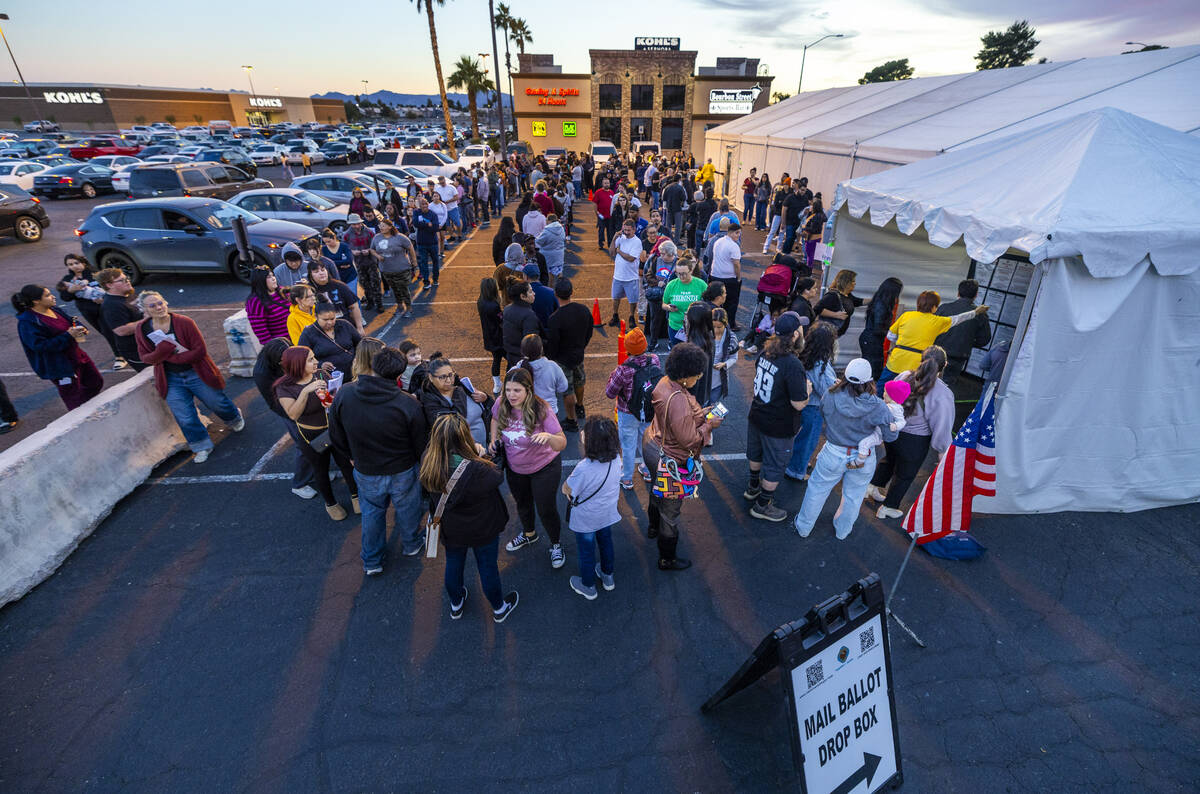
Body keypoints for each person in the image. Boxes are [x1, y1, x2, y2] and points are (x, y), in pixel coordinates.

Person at [330, 346, 428, 570]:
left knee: (372, 513)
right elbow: (420, 444)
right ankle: (412, 545)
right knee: (408, 509)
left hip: (365, 468)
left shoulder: (345, 393)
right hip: (402, 468)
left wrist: (350, 457)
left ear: (372, 366)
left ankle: (372, 560)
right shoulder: (408, 403)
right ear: (398, 375)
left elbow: (335, 433)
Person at [419, 413, 519, 622]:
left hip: (451, 528)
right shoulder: (477, 468)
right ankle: (499, 608)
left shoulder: (429, 461)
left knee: (454, 563)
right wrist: (483, 455)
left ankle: (456, 603)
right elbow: (497, 476)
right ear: (464, 436)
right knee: (487, 567)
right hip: (483, 527)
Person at [792, 358, 898, 540]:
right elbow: (890, 436)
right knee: (853, 496)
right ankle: (842, 531)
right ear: (869, 380)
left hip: (834, 452)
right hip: (863, 457)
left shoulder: (831, 394)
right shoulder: (879, 405)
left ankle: (803, 527)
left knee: (817, 489)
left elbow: (823, 413)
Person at [134, 291, 244, 464]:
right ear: (144, 310)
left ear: (165, 303)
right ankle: (201, 445)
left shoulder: (184, 322)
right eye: (152, 305)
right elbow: (145, 357)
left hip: (195, 372)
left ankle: (233, 417)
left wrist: (168, 355)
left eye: (160, 303)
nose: (159, 307)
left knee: (216, 401)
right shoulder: (142, 329)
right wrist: (161, 352)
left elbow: (199, 351)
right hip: (170, 377)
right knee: (184, 414)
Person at [643, 342, 723, 570]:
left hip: (652, 444)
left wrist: (701, 416)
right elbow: (689, 440)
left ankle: (652, 527)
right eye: (697, 376)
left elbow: (679, 420)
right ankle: (667, 558)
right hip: (670, 459)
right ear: (686, 377)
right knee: (671, 511)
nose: (698, 379)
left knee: (655, 490)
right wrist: (709, 425)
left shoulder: (665, 382)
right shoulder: (678, 399)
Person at [490, 366, 568, 568]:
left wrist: (549, 437)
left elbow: (562, 442)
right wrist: (493, 439)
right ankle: (529, 534)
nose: (511, 395)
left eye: (517, 390)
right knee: (522, 504)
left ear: (528, 390)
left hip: (545, 468)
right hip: (515, 469)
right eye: (508, 390)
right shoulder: (501, 403)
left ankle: (555, 544)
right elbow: (495, 418)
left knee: (545, 509)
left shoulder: (542, 409)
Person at [868, 346, 955, 519]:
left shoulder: (905, 375)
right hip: (915, 441)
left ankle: (871, 487)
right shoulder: (943, 393)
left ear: (921, 359)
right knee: (905, 474)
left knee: (890, 460)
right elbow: (942, 424)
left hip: (893, 432)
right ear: (944, 365)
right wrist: (942, 449)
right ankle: (888, 508)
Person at [273, 346, 359, 519]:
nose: (316, 362)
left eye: (314, 358)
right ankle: (330, 503)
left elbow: (332, 398)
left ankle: (356, 496)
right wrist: (306, 391)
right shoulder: (284, 387)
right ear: (297, 364)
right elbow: (293, 414)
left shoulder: (321, 374)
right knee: (320, 469)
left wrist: (332, 400)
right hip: (311, 435)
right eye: (310, 360)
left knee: (345, 464)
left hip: (333, 429)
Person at [743, 311, 809, 521]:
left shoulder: (765, 351)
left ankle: (753, 487)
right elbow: (798, 404)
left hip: (757, 414)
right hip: (778, 425)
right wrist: (807, 390)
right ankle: (762, 506)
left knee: (755, 453)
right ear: (795, 335)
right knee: (775, 465)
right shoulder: (792, 364)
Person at [12, 284, 104, 411]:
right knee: (74, 397)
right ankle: (83, 416)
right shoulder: (28, 322)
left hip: (77, 356)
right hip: (59, 367)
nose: (53, 297)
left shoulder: (54, 309)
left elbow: (71, 320)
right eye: (48, 295)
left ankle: (91, 407)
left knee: (95, 381)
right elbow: (40, 346)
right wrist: (68, 335)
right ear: (36, 301)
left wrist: (80, 328)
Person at [563, 415, 621, 600]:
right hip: (606, 513)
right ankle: (607, 576)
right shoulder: (617, 459)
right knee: (606, 542)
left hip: (586, 518)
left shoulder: (584, 467)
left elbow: (567, 488)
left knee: (586, 551)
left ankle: (588, 586)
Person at [255, 337, 321, 499]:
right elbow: (274, 403)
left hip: (305, 405)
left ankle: (317, 470)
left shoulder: (287, 360)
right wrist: (296, 416)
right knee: (305, 445)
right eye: (282, 362)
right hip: (290, 411)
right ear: (275, 361)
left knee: (319, 442)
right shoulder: (262, 374)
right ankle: (300, 483)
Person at [880, 290, 988, 389]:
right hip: (915, 365)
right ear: (934, 307)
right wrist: (976, 312)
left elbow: (890, 335)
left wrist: (902, 344)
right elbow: (958, 318)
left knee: (882, 386)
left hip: (896, 359)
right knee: (907, 393)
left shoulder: (906, 315)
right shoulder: (938, 321)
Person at [604, 327, 659, 489]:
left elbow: (610, 392)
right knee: (647, 441)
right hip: (648, 409)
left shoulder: (623, 370)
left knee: (628, 446)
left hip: (627, 412)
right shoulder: (654, 359)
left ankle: (627, 478)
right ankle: (648, 470)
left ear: (627, 349)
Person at [784, 321, 838, 481]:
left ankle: (796, 462)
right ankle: (796, 469)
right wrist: (835, 384)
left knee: (799, 437)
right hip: (813, 407)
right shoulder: (820, 363)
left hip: (803, 403)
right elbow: (825, 390)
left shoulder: (804, 353)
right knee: (808, 440)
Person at [544, 278, 593, 430]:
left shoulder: (555, 319)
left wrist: (551, 357)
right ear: (571, 292)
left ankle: (571, 420)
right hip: (578, 354)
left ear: (555, 294)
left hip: (562, 358)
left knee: (567, 390)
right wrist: (581, 346)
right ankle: (580, 406)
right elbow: (589, 333)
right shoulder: (583, 310)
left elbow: (553, 343)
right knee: (580, 381)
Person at [57, 254, 121, 367]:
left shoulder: (96, 274)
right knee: (105, 332)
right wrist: (71, 290)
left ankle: (120, 356)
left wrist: (104, 299)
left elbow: (113, 287)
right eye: (70, 264)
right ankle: (121, 353)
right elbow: (65, 298)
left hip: (105, 308)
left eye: (76, 263)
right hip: (89, 312)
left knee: (111, 330)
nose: (74, 266)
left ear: (83, 263)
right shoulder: (68, 280)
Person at [419, 356, 492, 447]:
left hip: (485, 448)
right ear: (431, 377)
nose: (449, 380)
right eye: (442, 377)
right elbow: (451, 428)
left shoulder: (462, 386)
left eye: (450, 375)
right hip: (462, 454)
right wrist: (458, 394)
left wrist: (486, 398)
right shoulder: (430, 401)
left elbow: (490, 409)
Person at [935, 279, 993, 387]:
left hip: (936, 352)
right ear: (975, 295)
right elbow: (985, 339)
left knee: (928, 381)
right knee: (946, 386)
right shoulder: (981, 314)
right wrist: (969, 341)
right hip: (959, 356)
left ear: (958, 292)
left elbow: (933, 328)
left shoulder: (944, 308)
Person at [96, 268, 146, 371]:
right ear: (109, 285)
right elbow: (121, 330)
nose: (127, 281)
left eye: (126, 278)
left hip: (145, 344)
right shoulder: (111, 305)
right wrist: (148, 319)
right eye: (122, 280)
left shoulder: (127, 293)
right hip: (136, 351)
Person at [854, 379, 909, 467]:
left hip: (878, 434)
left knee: (864, 443)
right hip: (875, 428)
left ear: (892, 396)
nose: (883, 394)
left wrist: (896, 426)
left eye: (885, 392)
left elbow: (902, 421)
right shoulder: (886, 404)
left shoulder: (896, 409)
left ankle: (859, 462)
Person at [371, 217, 417, 317]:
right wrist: (378, 256)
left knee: (403, 289)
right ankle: (400, 306)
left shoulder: (400, 237)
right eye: (380, 226)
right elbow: (372, 249)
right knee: (395, 289)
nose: (381, 227)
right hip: (386, 270)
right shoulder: (377, 238)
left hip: (401, 269)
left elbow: (410, 247)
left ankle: (409, 308)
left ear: (390, 227)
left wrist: (414, 261)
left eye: (383, 226)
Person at [858, 277, 904, 379]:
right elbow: (878, 328)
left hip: (871, 339)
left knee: (872, 370)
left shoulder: (880, 301)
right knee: (873, 372)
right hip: (872, 340)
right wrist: (894, 333)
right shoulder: (881, 305)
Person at [298, 302, 361, 375]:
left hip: (355, 370)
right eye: (325, 319)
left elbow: (360, 343)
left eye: (332, 318)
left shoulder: (344, 325)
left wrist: (358, 357)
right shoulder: (308, 333)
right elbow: (302, 357)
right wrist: (320, 365)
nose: (330, 322)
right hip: (328, 376)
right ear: (316, 317)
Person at [515, 334, 567, 417]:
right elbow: (563, 387)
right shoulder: (552, 366)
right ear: (541, 349)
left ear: (523, 351)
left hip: (526, 412)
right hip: (549, 411)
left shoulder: (518, 368)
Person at [662, 252, 707, 347]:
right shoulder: (671, 285)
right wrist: (668, 307)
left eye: (684, 274)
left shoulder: (701, 284)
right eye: (678, 274)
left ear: (691, 271)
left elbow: (708, 304)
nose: (681, 277)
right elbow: (663, 303)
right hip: (675, 327)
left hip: (695, 327)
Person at [307, 260, 364, 332]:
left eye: (323, 270)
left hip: (344, 326)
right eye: (316, 272)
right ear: (310, 275)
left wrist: (360, 327)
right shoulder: (308, 291)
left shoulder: (339, 286)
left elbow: (354, 306)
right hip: (322, 331)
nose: (321, 273)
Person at [344, 214, 382, 312]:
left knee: (375, 282)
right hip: (358, 263)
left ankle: (379, 303)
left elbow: (377, 245)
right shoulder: (347, 234)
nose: (356, 226)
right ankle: (370, 301)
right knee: (365, 284)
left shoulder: (369, 232)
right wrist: (352, 251)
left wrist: (369, 250)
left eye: (357, 224)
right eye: (353, 224)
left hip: (371, 261)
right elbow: (344, 248)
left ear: (361, 223)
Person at [608, 219, 642, 328]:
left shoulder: (637, 242)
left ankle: (631, 316)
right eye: (624, 230)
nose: (626, 232)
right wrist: (614, 238)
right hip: (618, 276)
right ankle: (615, 315)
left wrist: (619, 251)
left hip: (631, 277)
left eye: (628, 230)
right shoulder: (620, 238)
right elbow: (611, 252)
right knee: (616, 297)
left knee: (632, 300)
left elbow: (631, 258)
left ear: (634, 230)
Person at [709, 221, 743, 331]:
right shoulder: (734, 246)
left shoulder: (718, 241)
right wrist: (738, 278)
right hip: (729, 279)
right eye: (737, 233)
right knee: (731, 302)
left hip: (715, 275)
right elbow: (736, 264)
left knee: (715, 302)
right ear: (731, 233)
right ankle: (730, 324)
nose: (738, 236)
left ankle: (714, 322)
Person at [245, 266, 292, 344]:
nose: (274, 278)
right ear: (260, 281)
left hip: (297, 337)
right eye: (269, 277)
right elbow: (262, 333)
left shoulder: (283, 291)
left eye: (273, 275)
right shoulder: (255, 302)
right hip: (283, 345)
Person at [814, 269, 865, 338]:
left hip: (835, 334)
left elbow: (858, 302)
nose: (855, 283)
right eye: (853, 281)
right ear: (846, 282)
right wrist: (836, 315)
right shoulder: (832, 295)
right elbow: (817, 309)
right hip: (826, 334)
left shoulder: (847, 295)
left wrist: (876, 298)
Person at [477, 278, 505, 394]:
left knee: (496, 360)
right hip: (498, 336)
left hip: (489, 337)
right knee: (511, 358)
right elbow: (500, 320)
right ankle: (507, 382)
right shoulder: (494, 305)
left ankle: (497, 384)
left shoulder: (480, 302)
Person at [502, 281, 540, 366]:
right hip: (523, 359)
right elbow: (530, 343)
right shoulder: (529, 315)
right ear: (523, 296)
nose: (534, 293)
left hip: (511, 354)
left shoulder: (507, 309)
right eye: (530, 291)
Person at [683, 302, 715, 402]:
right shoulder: (708, 338)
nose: (684, 318)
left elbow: (689, 383)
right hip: (703, 397)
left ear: (693, 321)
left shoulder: (692, 351)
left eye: (686, 315)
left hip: (692, 402)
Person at [709, 307, 739, 406]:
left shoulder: (732, 338)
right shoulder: (705, 334)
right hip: (703, 379)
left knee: (712, 406)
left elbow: (734, 358)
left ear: (725, 324)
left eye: (719, 327)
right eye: (713, 326)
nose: (716, 330)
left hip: (718, 381)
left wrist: (724, 364)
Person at [412, 196, 442, 288]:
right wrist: (428, 224)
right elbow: (415, 223)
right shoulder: (416, 212)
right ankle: (426, 281)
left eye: (425, 204)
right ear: (419, 205)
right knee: (423, 263)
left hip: (433, 243)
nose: (424, 205)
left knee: (435, 262)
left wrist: (426, 226)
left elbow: (435, 227)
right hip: (421, 243)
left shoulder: (433, 214)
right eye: (422, 204)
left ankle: (435, 279)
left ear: (428, 204)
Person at [320, 227, 357, 297]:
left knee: (352, 296)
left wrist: (333, 263)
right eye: (325, 242)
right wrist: (341, 263)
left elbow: (349, 261)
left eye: (329, 241)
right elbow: (325, 263)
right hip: (335, 277)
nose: (327, 244)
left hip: (350, 276)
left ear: (334, 238)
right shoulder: (324, 249)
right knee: (340, 298)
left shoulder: (344, 246)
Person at [535, 213, 566, 286]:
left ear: (549, 220)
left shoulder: (547, 230)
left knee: (550, 274)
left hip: (548, 256)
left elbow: (539, 241)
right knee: (559, 271)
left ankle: (550, 290)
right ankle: (561, 287)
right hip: (559, 254)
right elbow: (563, 238)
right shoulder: (561, 228)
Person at [801, 197, 827, 268]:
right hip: (817, 237)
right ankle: (809, 267)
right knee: (811, 254)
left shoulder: (816, 217)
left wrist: (804, 227)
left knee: (810, 254)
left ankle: (809, 269)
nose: (811, 206)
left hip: (812, 237)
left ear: (815, 207)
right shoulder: (821, 214)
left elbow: (812, 229)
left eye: (812, 205)